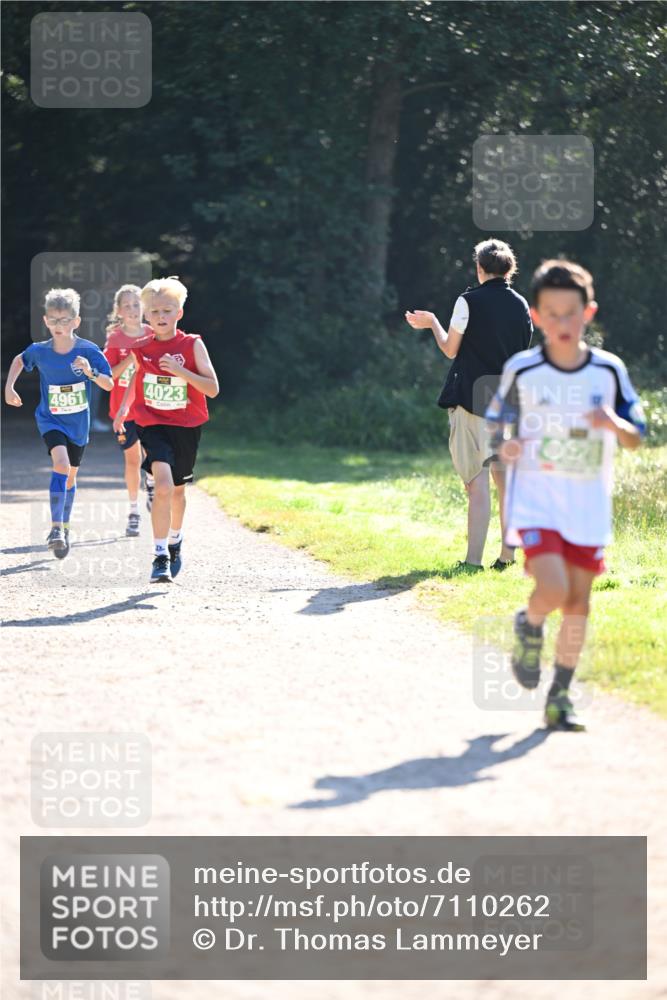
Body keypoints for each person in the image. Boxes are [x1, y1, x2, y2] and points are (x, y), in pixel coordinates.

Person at [486, 260, 645, 731]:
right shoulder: (523, 368)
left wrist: (612, 424)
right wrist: (506, 445)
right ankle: (530, 623)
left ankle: (559, 697)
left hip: (588, 505)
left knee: (578, 603)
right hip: (536, 500)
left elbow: (637, 434)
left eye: (570, 313)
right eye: (551, 314)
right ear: (536, 316)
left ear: (587, 313)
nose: (562, 322)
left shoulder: (608, 370)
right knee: (553, 589)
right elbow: (496, 419)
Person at [406, 238, 532, 570]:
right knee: (504, 483)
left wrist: (432, 323)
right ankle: (507, 557)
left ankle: (473, 562)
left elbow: (450, 349)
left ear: (479, 268)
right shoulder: (521, 305)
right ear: (509, 269)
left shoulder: (468, 301)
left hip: (472, 401)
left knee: (477, 484)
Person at [113, 276, 219, 583]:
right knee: (162, 485)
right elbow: (136, 378)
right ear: (146, 314)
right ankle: (159, 556)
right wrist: (123, 409)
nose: (161, 316)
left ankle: (175, 540)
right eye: (155, 311)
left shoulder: (192, 344)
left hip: (186, 426)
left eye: (167, 311)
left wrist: (181, 371)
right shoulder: (141, 348)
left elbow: (212, 389)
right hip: (152, 423)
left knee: (177, 491)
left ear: (179, 313)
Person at [3, 287, 113, 558]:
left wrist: (90, 372)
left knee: (70, 476)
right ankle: (55, 529)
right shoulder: (40, 351)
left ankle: (64, 526)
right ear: (45, 320)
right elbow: (19, 360)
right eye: (53, 319)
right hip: (50, 419)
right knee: (61, 464)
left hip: (78, 425)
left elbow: (109, 384)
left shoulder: (89, 351)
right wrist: (9, 387)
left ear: (76, 321)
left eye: (64, 320)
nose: (58, 325)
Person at [103, 284, 153, 536]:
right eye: (127, 306)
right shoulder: (115, 339)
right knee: (133, 460)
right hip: (123, 411)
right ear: (119, 311)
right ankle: (134, 511)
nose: (133, 309)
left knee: (153, 454)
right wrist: (130, 359)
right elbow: (108, 376)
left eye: (136, 304)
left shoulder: (154, 334)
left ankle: (151, 482)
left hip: (150, 407)